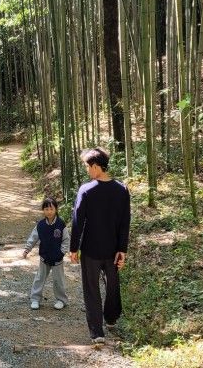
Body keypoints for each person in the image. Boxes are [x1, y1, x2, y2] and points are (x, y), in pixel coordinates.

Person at [69, 147, 131, 345]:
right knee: (113, 285)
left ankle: (97, 332)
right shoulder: (122, 189)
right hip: (113, 249)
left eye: (88, 167)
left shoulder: (86, 190)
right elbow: (125, 222)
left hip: (91, 250)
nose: (87, 170)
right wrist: (123, 250)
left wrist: (73, 248)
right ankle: (111, 318)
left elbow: (78, 221)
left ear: (96, 166)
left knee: (91, 289)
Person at [22, 196, 70, 310]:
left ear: (56, 210)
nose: (49, 212)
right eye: (46, 209)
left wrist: (61, 252)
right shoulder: (41, 225)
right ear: (43, 210)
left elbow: (66, 240)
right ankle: (35, 299)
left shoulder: (61, 224)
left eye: (51, 209)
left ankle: (61, 300)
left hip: (57, 258)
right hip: (44, 257)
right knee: (40, 278)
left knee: (59, 280)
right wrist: (27, 249)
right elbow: (33, 237)